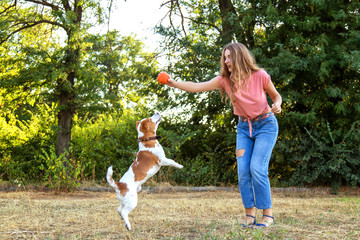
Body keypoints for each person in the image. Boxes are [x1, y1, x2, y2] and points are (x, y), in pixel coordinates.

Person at [163, 42, 282, 228]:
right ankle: (250, 215)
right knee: (243, 171)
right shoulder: (225, 81)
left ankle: (268, 215)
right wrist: (173, 83)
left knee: (257, 168)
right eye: (224, 57)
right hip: (244, 128)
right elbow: (196, 87)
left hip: (266, 124)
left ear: (239, 57)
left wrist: (278, 104)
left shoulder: (260, 76)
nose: (226, 61)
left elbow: (276, 96)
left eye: (229, 57)